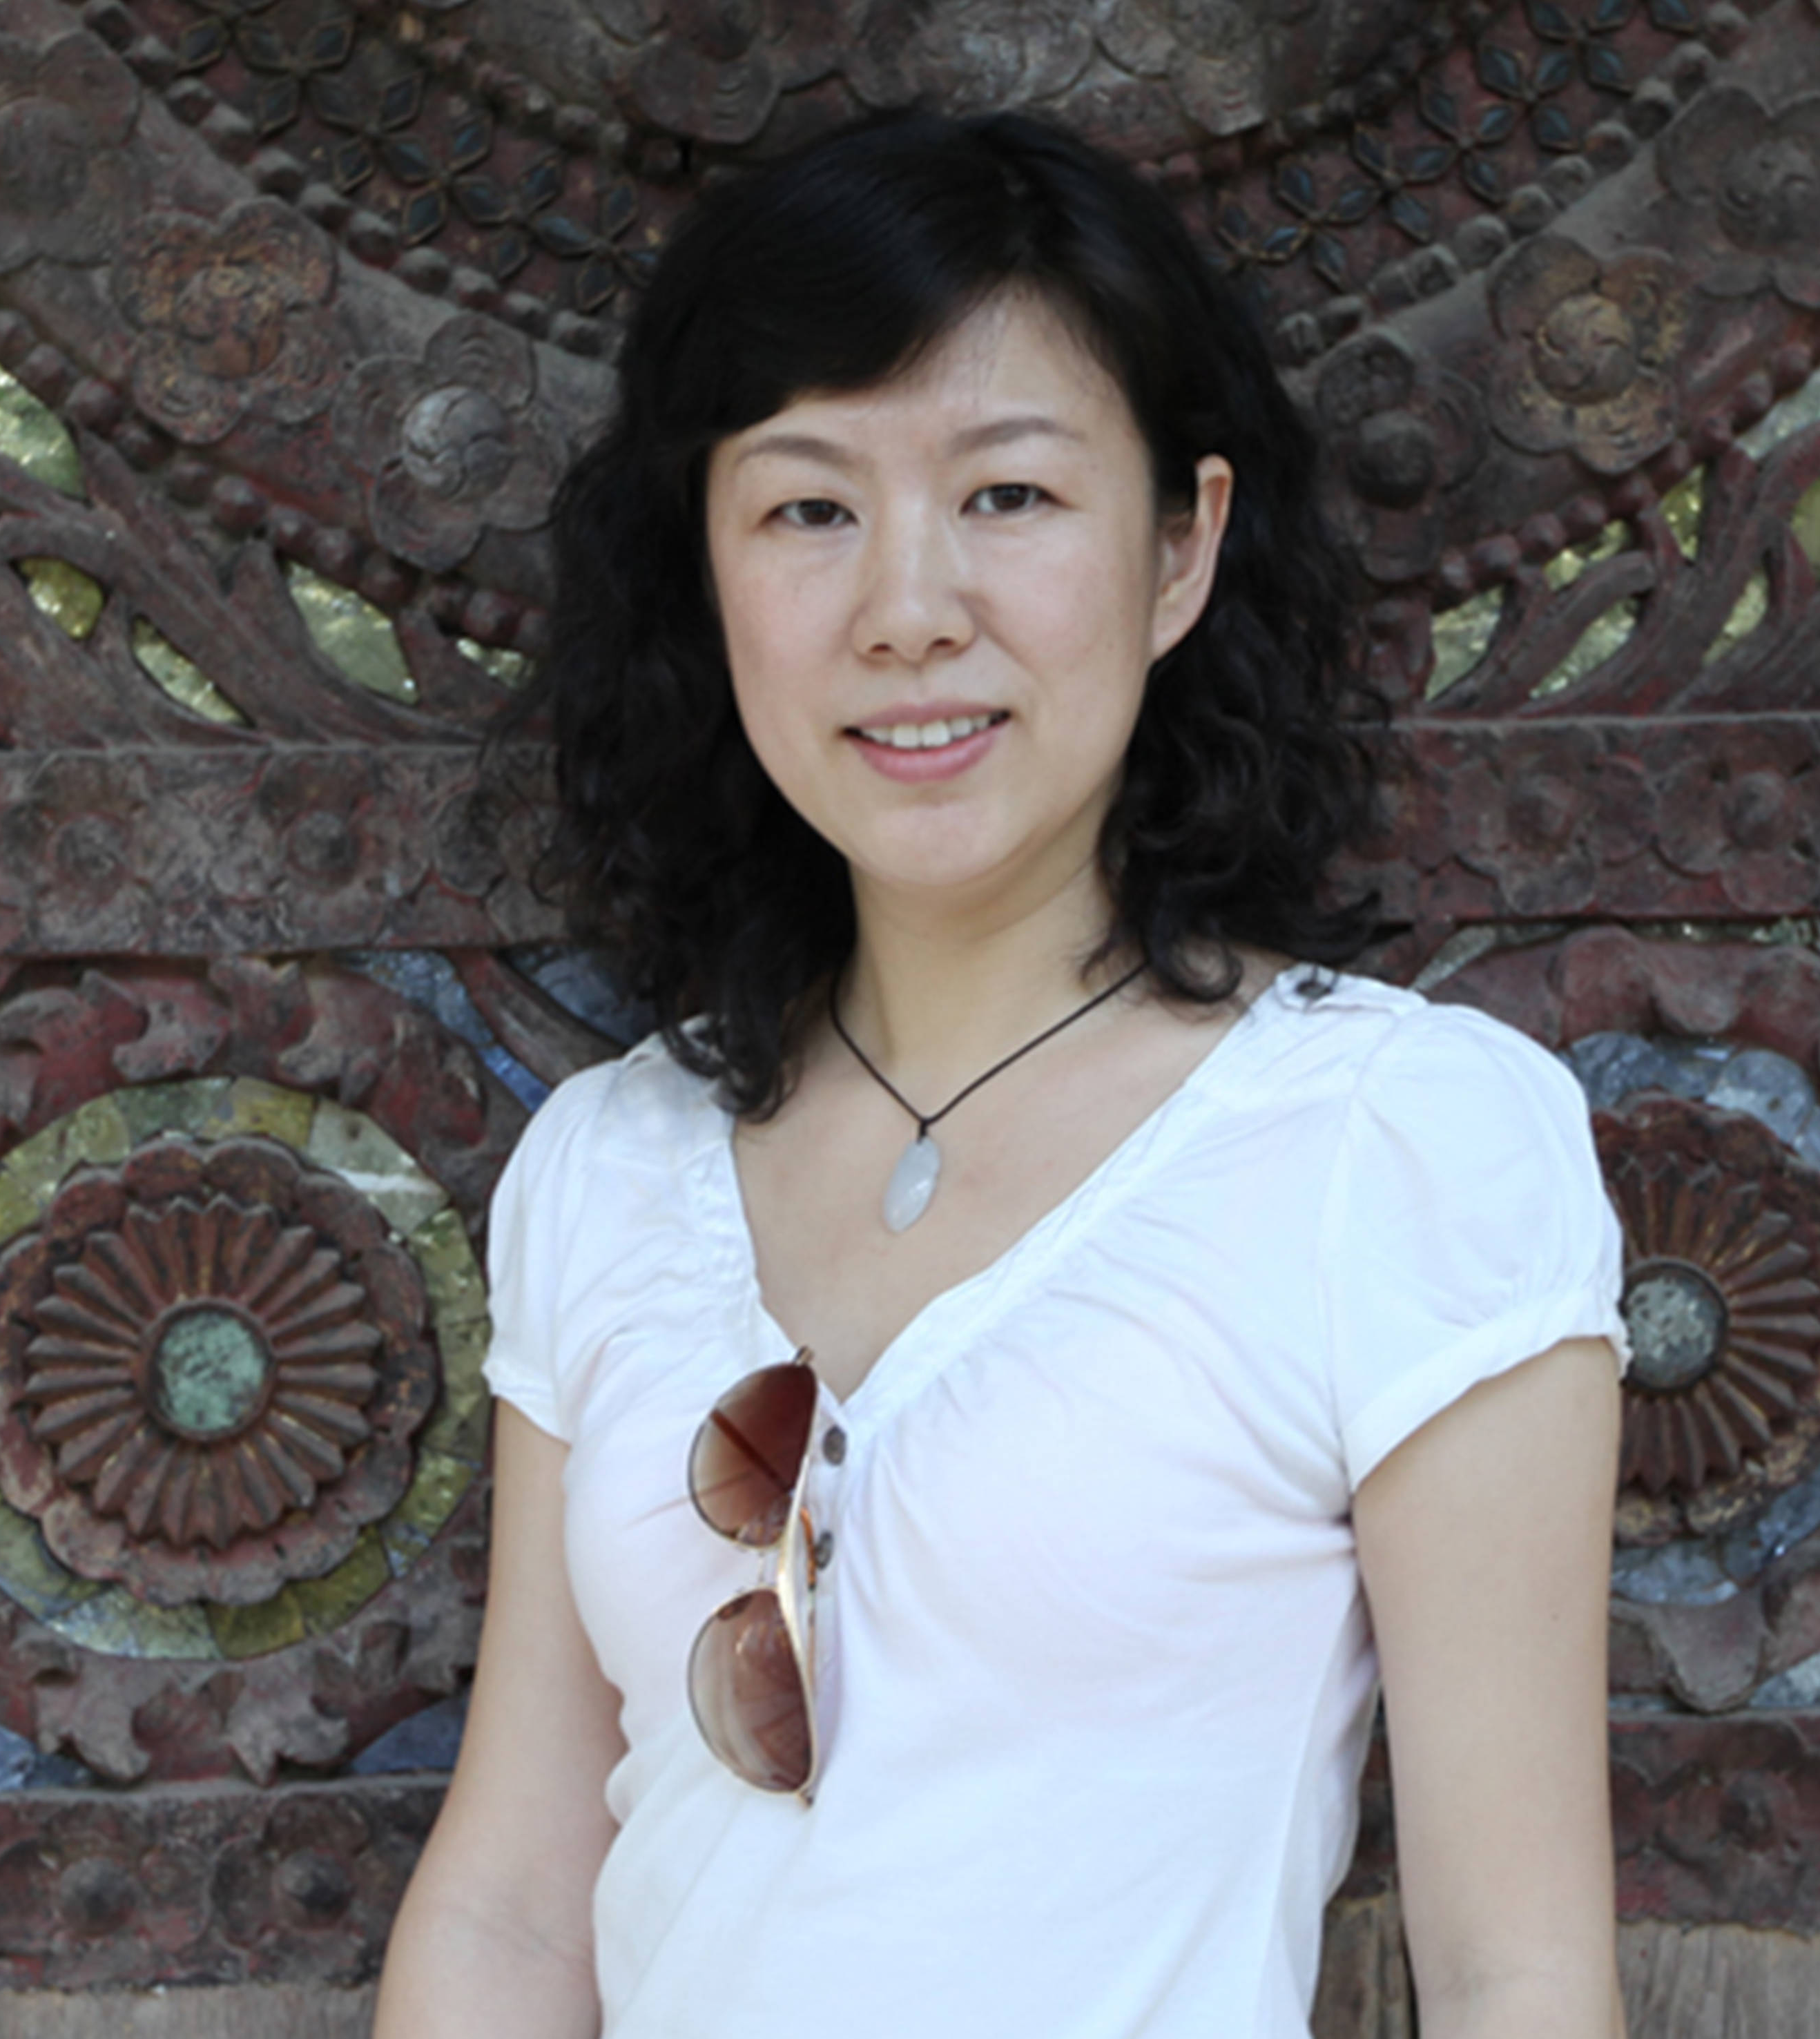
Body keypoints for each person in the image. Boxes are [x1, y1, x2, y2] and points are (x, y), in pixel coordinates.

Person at [375, 110, 1631, 2039]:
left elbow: (1512, 1974)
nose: (907, 608)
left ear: (1180, 547)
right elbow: (513, 1910)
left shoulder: (1398, 1149)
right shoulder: (609, 1164)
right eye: (808, 509)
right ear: (705, 569)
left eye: (1010, 494)